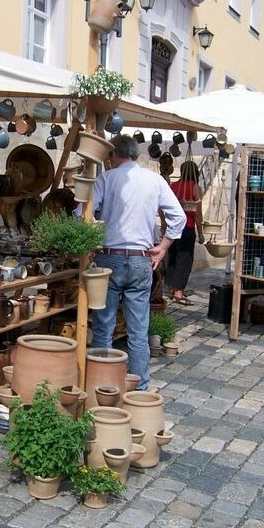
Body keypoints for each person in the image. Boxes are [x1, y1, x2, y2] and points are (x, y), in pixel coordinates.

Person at [89, 134, 186, 391]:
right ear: (134, 154)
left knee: (103, 327)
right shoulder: (154, 180)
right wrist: (163, 247)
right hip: (142, 259)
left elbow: (83, 215)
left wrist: (87, 244)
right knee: (138, 331)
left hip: (109, 256)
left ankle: (102, 385)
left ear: (113, 155)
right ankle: (139, 390)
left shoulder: (106, 178)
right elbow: (179, 217)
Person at [165, 161, 205, 305]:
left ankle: (171, 287)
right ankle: (178, 292)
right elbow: (198, 214)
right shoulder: (195, 188)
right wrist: (200, 233)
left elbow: (162, 207)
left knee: (173, 258)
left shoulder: (173, 186)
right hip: (187, 227)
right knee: (185, 259)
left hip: (172, 227)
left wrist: (164, 224)